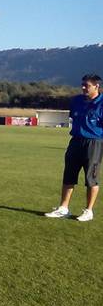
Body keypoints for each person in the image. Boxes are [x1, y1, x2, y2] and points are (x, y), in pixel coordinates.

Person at [46, 73, 103, 222]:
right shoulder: (76, 101)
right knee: (69, 175)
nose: (83, 87)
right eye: (82, 84)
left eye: (87, 85)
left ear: (97, 86)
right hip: (75, 141)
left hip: (94, 143)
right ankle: (63, 208)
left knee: (91, 177)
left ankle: (88, 211)